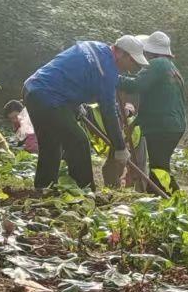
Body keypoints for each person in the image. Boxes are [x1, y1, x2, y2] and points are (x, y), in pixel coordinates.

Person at [22, 35, 148, 189]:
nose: (131, 68)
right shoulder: (107, 70)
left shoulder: (94, 46)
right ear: (122, 53)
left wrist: (75, 104)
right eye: (132, 62)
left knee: (51, 144)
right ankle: (86, 189)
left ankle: (44, 188)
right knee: (79, 142)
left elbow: (70, 73)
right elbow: (108, 112)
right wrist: (120, 148)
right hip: (48, 96)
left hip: (33, 89)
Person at [119, 30, 188, 190]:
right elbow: (156, 102)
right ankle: (166, 196)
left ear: (149, 51)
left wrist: (114, 79)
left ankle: (161, 196)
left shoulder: (157, 64)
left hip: (162, 126)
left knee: (158, 169)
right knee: (160, 167)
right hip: (174, 125)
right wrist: (135, 123)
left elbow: (137, 85)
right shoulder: (170, 67)